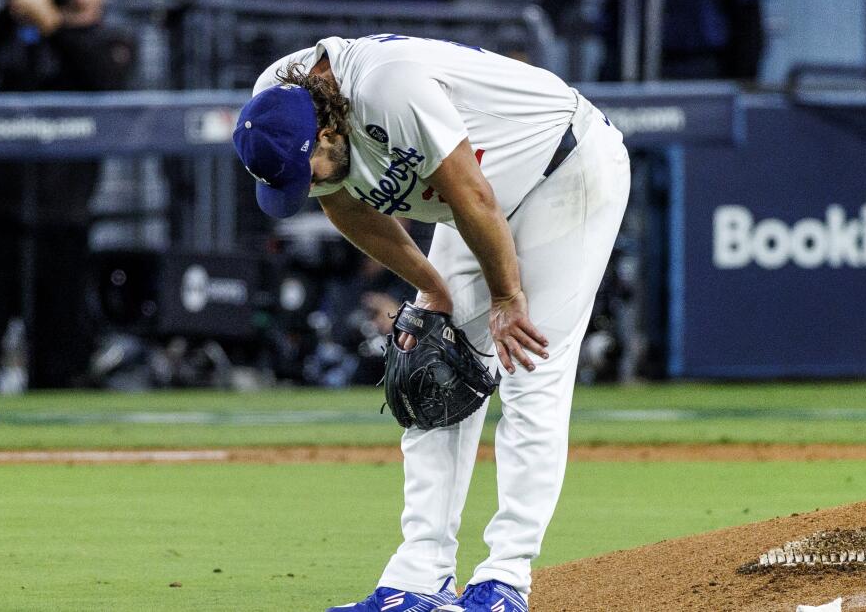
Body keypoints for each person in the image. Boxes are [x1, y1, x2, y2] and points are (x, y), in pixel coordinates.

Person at [234, 35, 630, 611]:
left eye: (307, 168)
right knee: (430, 369)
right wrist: (434, 291)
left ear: (326, 131)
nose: (307, 182)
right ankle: (420, 577)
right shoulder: (276, 106)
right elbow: (345, 205)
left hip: (563, 168)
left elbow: (472, 195)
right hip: (472, 201)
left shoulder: (387, 85)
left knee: (529, 365)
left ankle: (505, 580)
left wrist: (506, 296)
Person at [0, 0, 133, 389]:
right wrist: (15, 8)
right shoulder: (16, 33)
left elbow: (102, 78)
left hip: (63, 214)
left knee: (58, 359)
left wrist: (55, 25)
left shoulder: (114, 39)